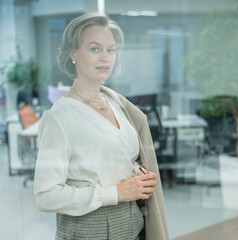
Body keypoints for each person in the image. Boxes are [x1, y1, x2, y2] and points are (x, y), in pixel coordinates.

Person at [33, 13, 169, 240]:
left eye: (111, 50)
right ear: (73, 53)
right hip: (89, 229)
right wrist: (114, 193)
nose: (105, 57)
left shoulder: (117, 104)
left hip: (131, 223)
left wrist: (139, 177)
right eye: (94, 49)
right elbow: (45, 196)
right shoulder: (60, 116)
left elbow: (113, 160)